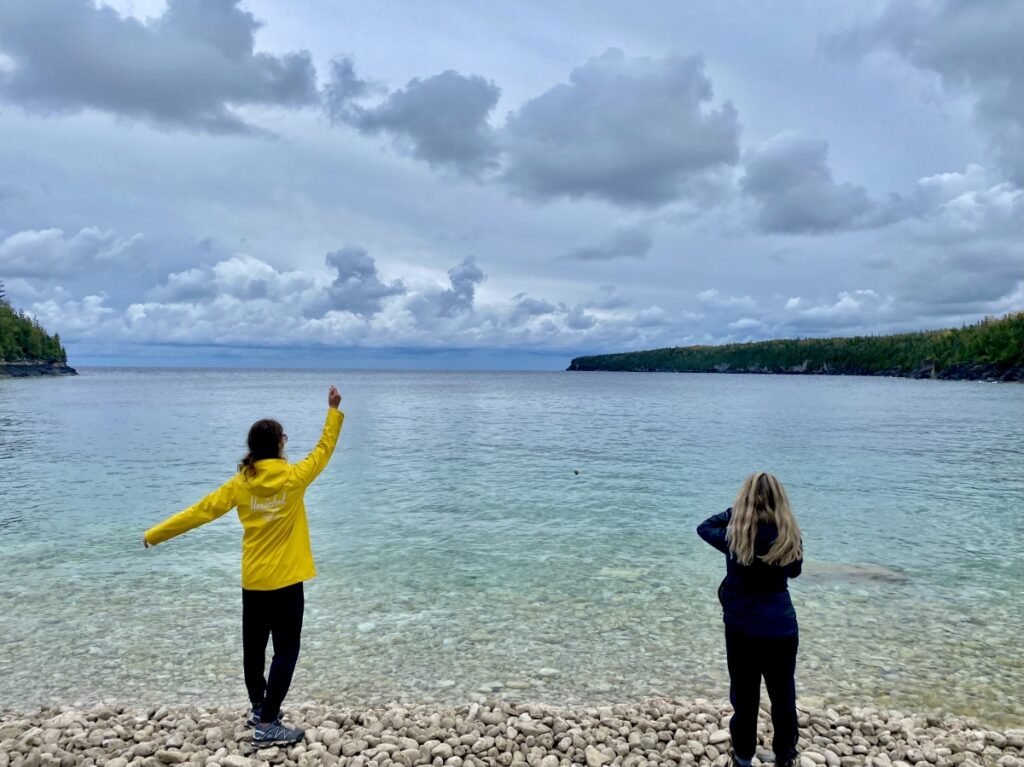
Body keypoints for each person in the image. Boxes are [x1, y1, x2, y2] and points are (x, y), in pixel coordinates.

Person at [143, 386, 344, 746]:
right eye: (284, 438)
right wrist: (332, 411)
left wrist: (156, 534)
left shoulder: (241, 484)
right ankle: (268, 724)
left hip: (254, 581)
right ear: (281, 444)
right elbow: (323, 449)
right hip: (287, 581)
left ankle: (258, 706)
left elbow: (199, 512)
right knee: (286, 651)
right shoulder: (294, 478)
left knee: (254, 649)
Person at [697, 472, 804, 767]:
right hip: (781, 628)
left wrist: (738, 512)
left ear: (745, 499)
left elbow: (704, 527)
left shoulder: (735, 536)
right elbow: (794, 572)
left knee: (745, 698)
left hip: (741, 628)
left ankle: (743, 759)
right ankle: (785, 756)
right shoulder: (788, 535)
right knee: (783, 696)